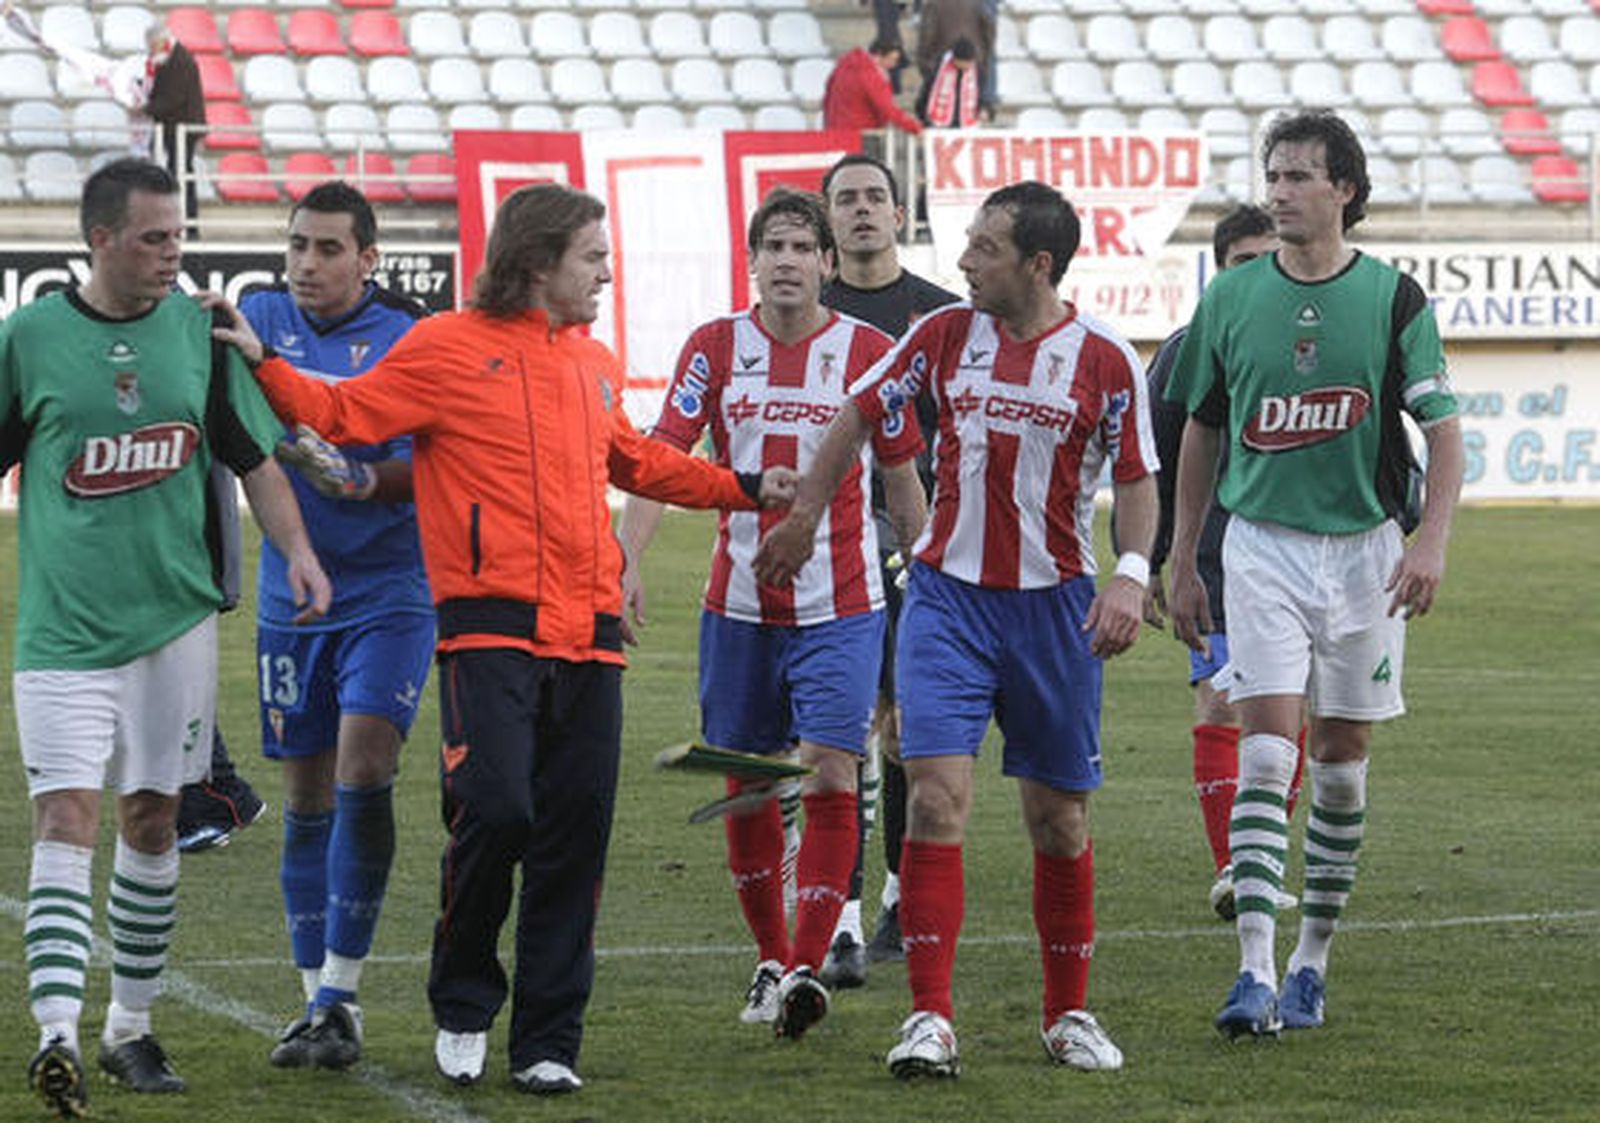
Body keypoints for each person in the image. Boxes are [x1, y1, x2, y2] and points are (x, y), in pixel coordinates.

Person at [207, 182, 797, 1095]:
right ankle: (464, 1001)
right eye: (593, 258)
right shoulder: (443, 346)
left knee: (575, 831)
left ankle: (549, 1037)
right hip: (488, 626)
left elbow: (635, 459)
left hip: (590, 633)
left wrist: (747, 486)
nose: (607, 272)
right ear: (538, 261)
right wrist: (262, 362)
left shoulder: (594, 361)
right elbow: (344, 417)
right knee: (496, 809)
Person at [755, 181, 1159, 1079]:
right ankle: (929, 1018)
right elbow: (858, 410)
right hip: (946, 601)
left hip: (1056, 610)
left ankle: (1068, 1014)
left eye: (983, 247)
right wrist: (802, 516)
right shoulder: (941, 335)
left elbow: (1136, 476)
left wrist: (1131, 576)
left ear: (1037, 265)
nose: (965, 260)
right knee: (934, 796)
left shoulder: (1104, 358)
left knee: (1057, 819)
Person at [0, 157, 330, 1119]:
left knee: (152, 821)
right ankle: (57, 1032)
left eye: (179, 235)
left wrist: (299, 552)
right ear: (100, 238)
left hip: (176, 628)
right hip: (62, 634)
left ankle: (129, 1027)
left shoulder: (201, 334)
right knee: (65, 818)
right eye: (154, 238)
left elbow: (254, 460)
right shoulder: (29, 339)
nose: (173, 253)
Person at [1163, 111, 1464, 1039]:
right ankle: (1252, 966)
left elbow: (1443, 433)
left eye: (1299, 176)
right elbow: (1201, 429)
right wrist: (1183, 553)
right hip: (1262, 547)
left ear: (1344, 189)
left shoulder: (1393, 297)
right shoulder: (1230, 296)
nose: (1280, 191)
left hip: (1367, 554)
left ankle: (1311, 963)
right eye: (1274, 174)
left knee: (1338, 764)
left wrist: (1430, 542)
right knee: (1265, 749)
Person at [619, 188, 926, 1041]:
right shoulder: (714, 348)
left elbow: (901, 475)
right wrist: (628, 558)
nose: (787, 259)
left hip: (843, 604)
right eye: (773, 246)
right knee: (750, 783)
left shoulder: (870, 350)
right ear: (752, 261)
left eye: (802, 246)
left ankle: (803, 961)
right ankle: (769, 954)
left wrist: (931, 579)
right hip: (740, 609)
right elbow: (659, 459)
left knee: (831, 774)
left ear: (828, 264)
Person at [232, 182, 435, 1072]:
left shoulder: (406, 336)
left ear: (368, 258)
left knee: (365, 760)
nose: (306, 264)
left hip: (391, 587)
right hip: (291, 598)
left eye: (327, 249)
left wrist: (354, 481)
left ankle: (341, 991)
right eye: (298, 246)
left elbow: (417, 467)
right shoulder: (257, 315)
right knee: (307, 796)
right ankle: (313, 996)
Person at [1138, 204, 1306, 921]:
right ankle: (1233, 866)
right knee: (1221, 700)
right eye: (1244, 262)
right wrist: (1150, 562)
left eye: (1271, 258)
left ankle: (1259, 856)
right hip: (1213, 558)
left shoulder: (1316, 343)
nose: (1260, 275)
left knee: (1291, 714)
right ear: (1219, 270)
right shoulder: (1186, 352)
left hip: (1306, 552)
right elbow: (1148, 463)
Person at [817, 153, 959, 984]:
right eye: (847, 200)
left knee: (906, 730)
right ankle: (838, 913)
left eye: (876, 197)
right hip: (832, 546)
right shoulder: (808, 308)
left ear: (899, 215)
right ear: (829, 219)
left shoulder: (938, 315)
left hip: (921, 543)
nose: (863, 210)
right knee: (842, 731)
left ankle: (900, 899)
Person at [143, 25, 205, 236]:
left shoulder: (180, 61)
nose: (150, 51)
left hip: (181, 129)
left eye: (151, 46)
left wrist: (145, 108)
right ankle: (181, 222)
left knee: (181, 175)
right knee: (178, 174)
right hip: (173, 128)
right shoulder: (172, 58)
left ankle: (188, 224)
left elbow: (173, 98)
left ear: (160, 42)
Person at [822, 36, 923, 137]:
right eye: (892, 59)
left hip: (836, 130)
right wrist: (914, 127)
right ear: (879, 54)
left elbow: (828, 95)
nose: (893, 65)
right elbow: (887, 109)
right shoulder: (870, 74)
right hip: (861, 134)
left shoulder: (845, 66)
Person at [915, 0, 996, 124]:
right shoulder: (977, 3)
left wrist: (925, 64)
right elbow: (989, 28)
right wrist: (983, 54)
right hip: (973, 60)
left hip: (943, 62)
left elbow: (927, 35)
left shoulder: (933, 4)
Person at [916, 37, 981, 130]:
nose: (968, 66)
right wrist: (924, 117)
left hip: (966, 124)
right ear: (955, 59)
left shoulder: (976, 71)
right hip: (939, 124)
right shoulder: (938, 69)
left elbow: (981, 94)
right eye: (965, 63)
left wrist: (984, 108)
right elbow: (926, 92)